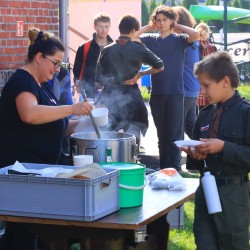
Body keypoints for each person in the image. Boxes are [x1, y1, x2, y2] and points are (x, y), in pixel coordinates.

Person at [0, 28, 93, 250]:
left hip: (40, 174)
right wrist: (71, 107)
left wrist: (90, 120)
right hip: (21, 174)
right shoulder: (22, 82)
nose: (57, 69)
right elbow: (30, 114)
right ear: (39, 57)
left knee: (39, 235)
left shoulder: (43, 87)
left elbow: (61, 127)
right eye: (55, 62)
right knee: (22, 237)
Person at [181, 51, 250, 249]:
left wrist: (224, 147)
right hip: (205, 190)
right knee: (204, 243)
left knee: (233, 244)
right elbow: (195, 165)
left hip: (233, 193)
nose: (201, 91)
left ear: (225, 81)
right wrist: (195, 155)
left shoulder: (246, 113)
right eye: (200, 85)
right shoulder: (204, 115)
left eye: (206, 85)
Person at [134, 5, 200, 170]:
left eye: (165, 20)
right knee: (161, 135)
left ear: (171, 21)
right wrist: (148, 27)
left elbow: (195, 34)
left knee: (174, 135)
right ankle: (164, 169)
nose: (161, 23)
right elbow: (132, 38)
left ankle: (175, 169)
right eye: (159, 20)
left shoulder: (179, 40)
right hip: (157, 94)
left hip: (176, 94)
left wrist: (177, 26)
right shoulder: (150, 39)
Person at [95, 14, 164, 148]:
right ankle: (132, 161)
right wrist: (140, 74)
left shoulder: (106, 50)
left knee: (107, 140)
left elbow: (98, 80)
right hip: (132, 98)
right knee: (132, 139)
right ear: (134, 30)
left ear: (119, 29)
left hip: (110, 98)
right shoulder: (139, 48)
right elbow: (160, 66)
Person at [173, 6, 200, 139]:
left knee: (176, 130)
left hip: (183, 91)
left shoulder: (184, 40)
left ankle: (176, 159)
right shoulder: (191, 41)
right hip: (192, 90)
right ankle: (204, 154)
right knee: (192, 129)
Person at [73, 13, 113, 98]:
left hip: (110, 93)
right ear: (95, 27)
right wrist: (77, 83)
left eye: (106, 26)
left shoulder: (115, 47)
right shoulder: (84, 47)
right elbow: (77, 69)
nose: (104, 30)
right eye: (101, 26)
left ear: (109, 27)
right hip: (87, 92)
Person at [196, 22, 218, 112]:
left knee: (197, 113)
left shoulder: (194, 45)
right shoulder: (213, 48)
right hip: (210, 80)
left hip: (196, 80)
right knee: (211, 111)